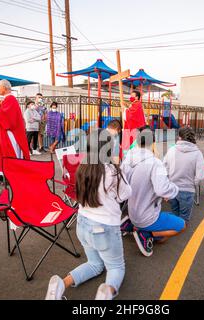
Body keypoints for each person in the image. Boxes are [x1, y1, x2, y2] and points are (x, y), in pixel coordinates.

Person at [45, 132, 132, 300]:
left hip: (83, 224)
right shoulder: (112, 172)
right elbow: (125, 194)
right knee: (116, 268)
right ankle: (106, 292)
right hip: (105, 228)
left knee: (94, 264)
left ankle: (61, 284)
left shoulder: (82, 168)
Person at [120, 127, 186, 257]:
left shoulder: (128, 158)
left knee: (165, 214)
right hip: (146, 216)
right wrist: (174, 189)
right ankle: (146, 233)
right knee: (181, 225)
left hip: (132, 211)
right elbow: (163, 189)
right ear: (154, 144)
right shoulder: (155, 163)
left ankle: (132, 224)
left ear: (138, 142)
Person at [0, 79, 30, 183]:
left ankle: (11, 177)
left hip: (10, 135)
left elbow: (7, 120)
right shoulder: (6, 99)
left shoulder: (10, 99)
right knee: (0, 154)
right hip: (4, 134)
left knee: (9, 154)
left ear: (4, 88)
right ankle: (0, 175)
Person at [163, 127, 204, 222]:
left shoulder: (171, 150)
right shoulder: (197, 153)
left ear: (179, 137)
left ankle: (173, 231)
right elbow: (200, 175)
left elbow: (164, 169)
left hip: (172, 189)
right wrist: (193, 184)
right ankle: (180, 230)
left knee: (175, 213)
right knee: (184, 218)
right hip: (188, 190)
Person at [121, 90, 147, 155]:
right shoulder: (134, 104)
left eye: (132, 96)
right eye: (131, 96)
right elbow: (130, 111)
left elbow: (131, 115)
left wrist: (124, 109)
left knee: (133, 145)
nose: (131, 97)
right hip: (134, 127)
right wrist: (126, 108)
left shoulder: (137, 104)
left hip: (135, 128)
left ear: (137, 97)